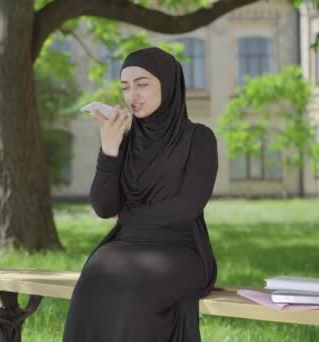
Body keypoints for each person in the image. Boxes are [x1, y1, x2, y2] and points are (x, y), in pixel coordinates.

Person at [62, 47, 219, 342]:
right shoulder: (125, 141)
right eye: (125, 87)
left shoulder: (199, 138)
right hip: (126, 246)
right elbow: (103, 207)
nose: (132, 95)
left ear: (168, 84)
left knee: (135, 288)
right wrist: (109, 150)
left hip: (182, 250)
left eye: (142, 84)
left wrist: (128, 217)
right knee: (93, 280)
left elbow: (187, 205)